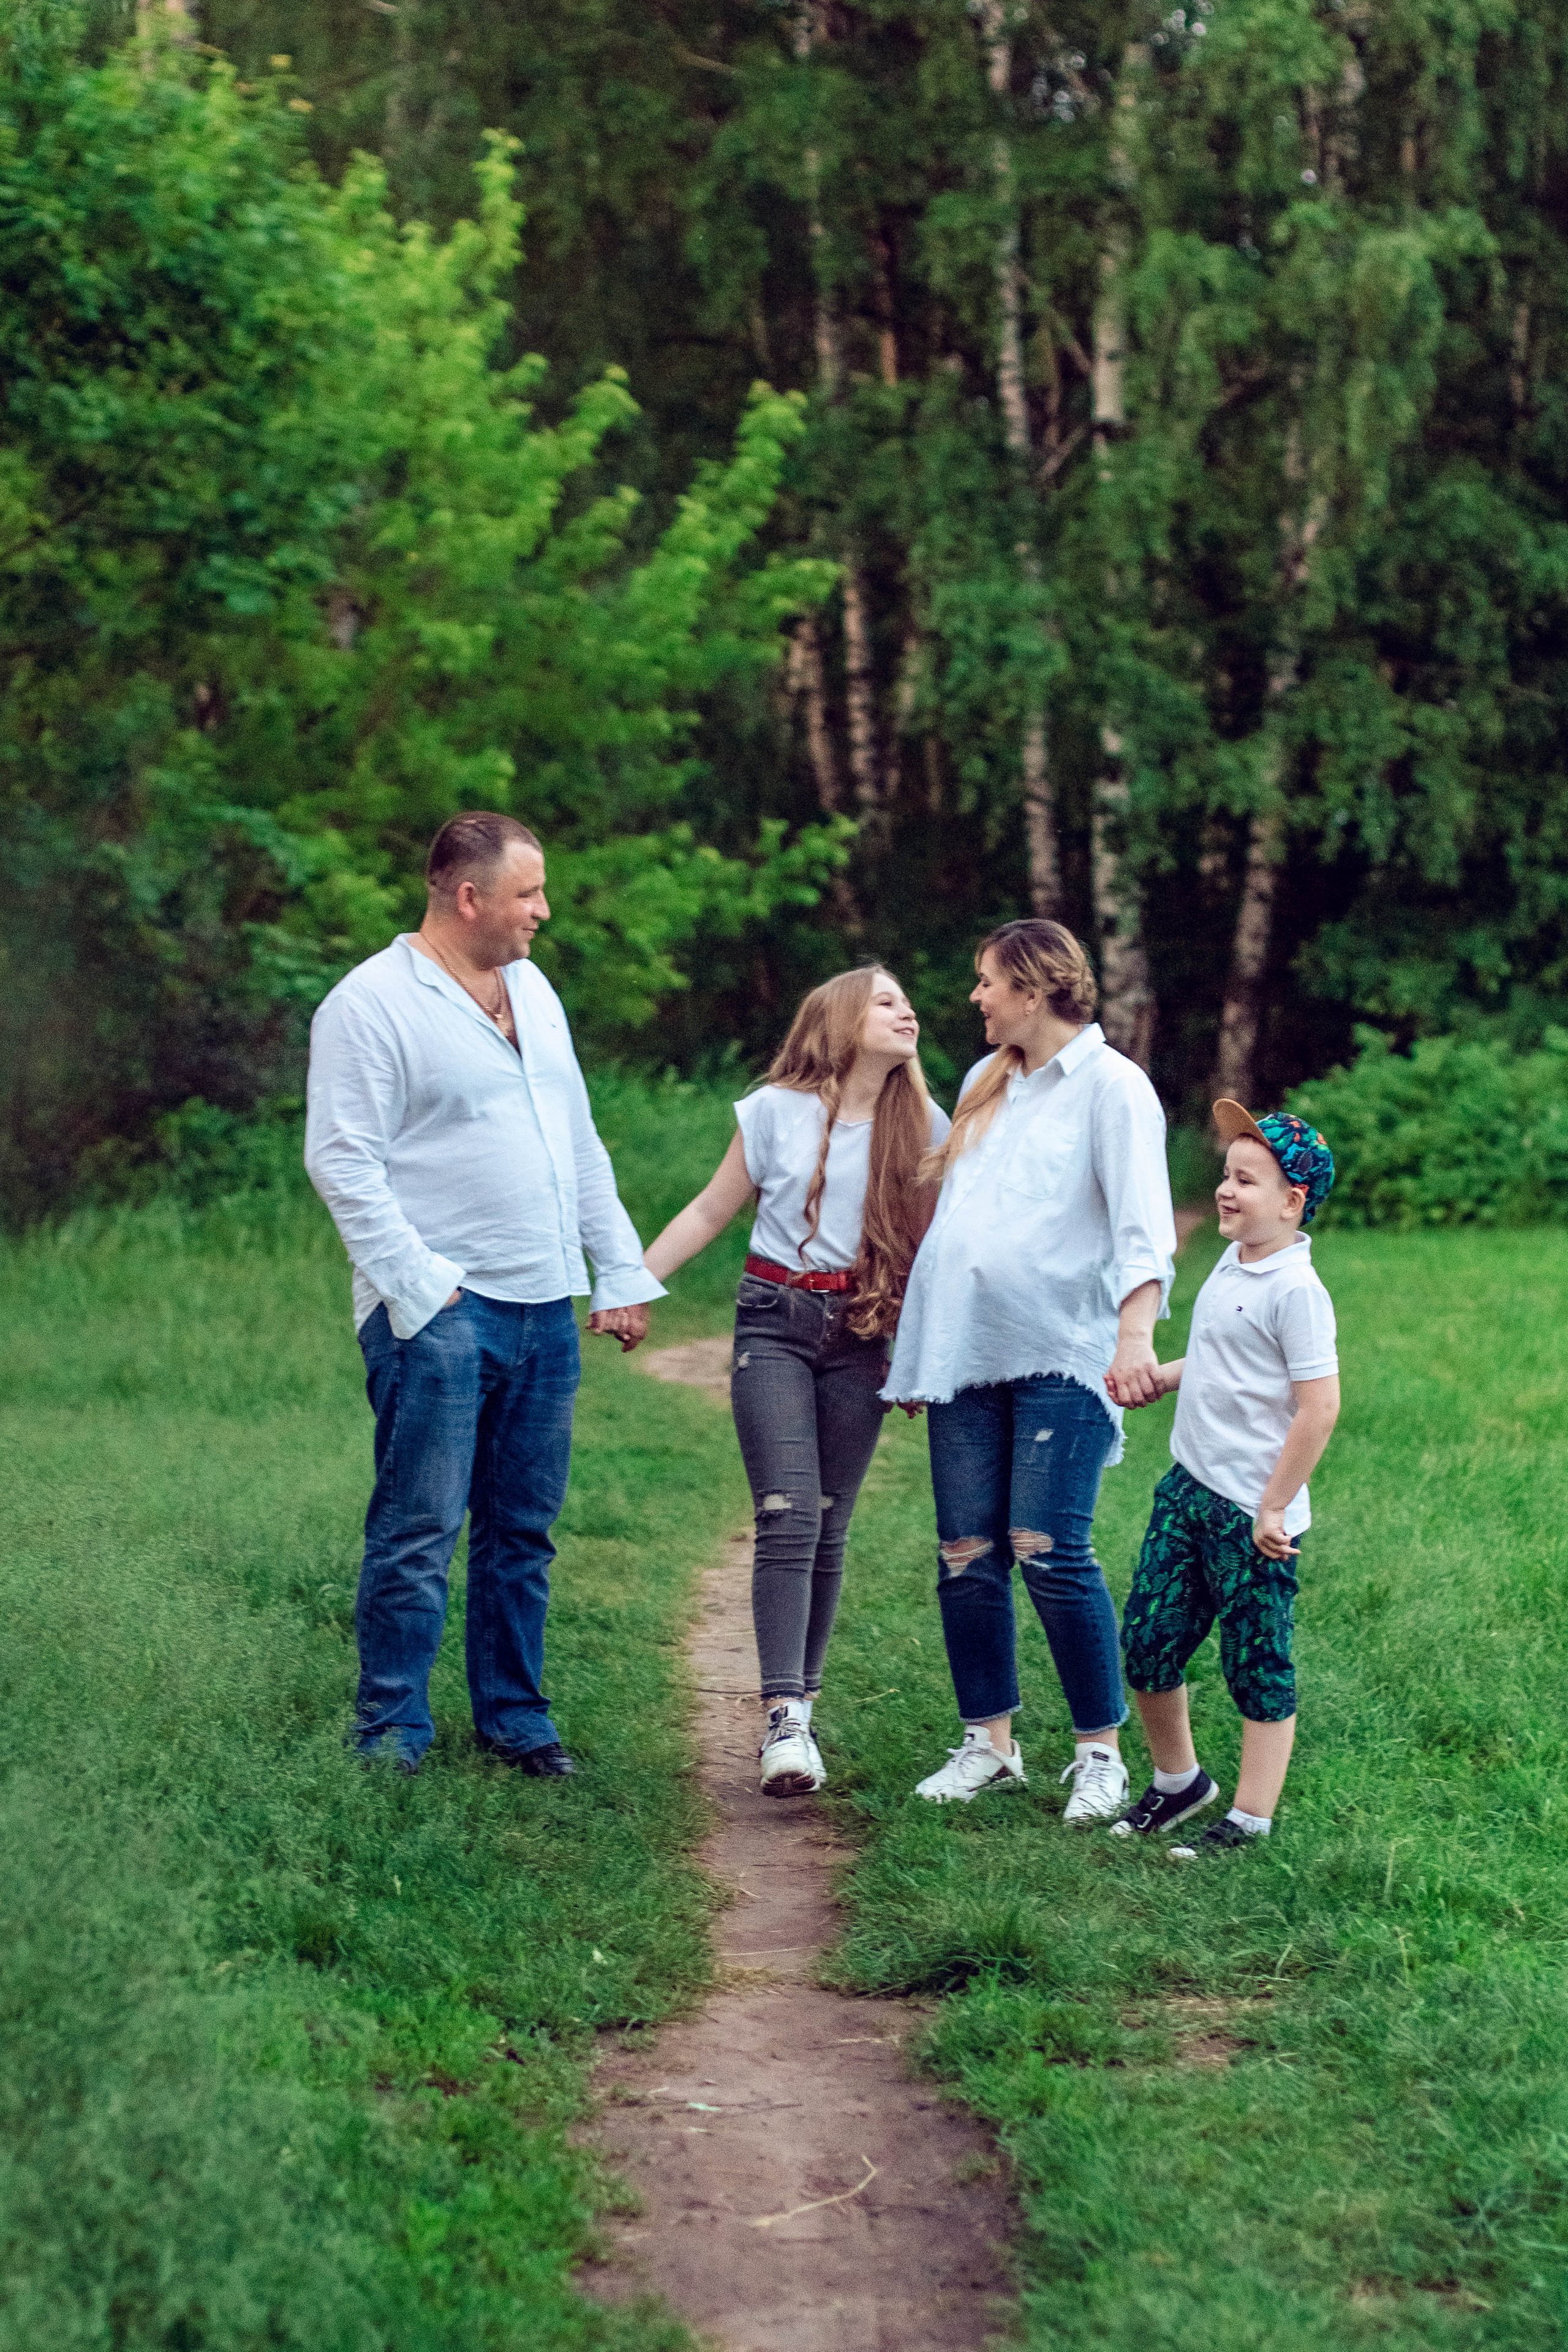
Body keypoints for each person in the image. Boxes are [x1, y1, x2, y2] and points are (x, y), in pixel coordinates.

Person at [304, 811, 665, 1778]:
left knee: (523, 1532)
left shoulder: (535, 990)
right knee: (419, 1528)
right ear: (468, 898)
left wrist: (618, 1269)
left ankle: (515, 1720)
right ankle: (392, 1731)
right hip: (437, 1314)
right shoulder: (369, 1004)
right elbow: (342, 1163)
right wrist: (427, 1294)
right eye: (528, 895)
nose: (543, 912)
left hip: (544, 1308)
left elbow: (575, 1137)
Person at [883, 919, 1177, 1817]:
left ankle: (1100, 1754)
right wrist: (920, 1349)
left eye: (987, 982)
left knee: (1047, 1550)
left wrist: (1133, 1339)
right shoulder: (985, 1080)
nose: (974, 997)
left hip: (1064, 1351)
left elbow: (1142, 1227)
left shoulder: (1114, 1089)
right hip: (967, 1354)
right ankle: (989, 1745)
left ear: (1038, 985)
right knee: (966, 1554)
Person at [644, 968, 949, 1796]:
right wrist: (636, 1284)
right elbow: (710, 1211)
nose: (906, 1009)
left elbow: (935, 1252)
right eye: (887, 999)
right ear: (842, 1019)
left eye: (906, 999)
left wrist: (921, 1356)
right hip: (775, 1321)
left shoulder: (922, 1123)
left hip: (864, 1334)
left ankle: (801, 1714)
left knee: (826, 1521)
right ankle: (781, 1716)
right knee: (785, 1513)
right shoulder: (774, 1111)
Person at [1109, 1100, 1338, 1855]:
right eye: (1226, 1175)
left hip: (1251, 1515)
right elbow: (1224, 1363)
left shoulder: (1296, 1290)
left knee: (1255, 1661)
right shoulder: (1232, 1258)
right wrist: (1161, 1376)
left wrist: (1274, 1507)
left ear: (1291, 1201)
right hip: (1188, 1489)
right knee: (1146, 1640)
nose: (1226, 1190)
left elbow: (1318, 1407)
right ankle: (1179, 1785)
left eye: (1247, 1180)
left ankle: (1248, 1817)